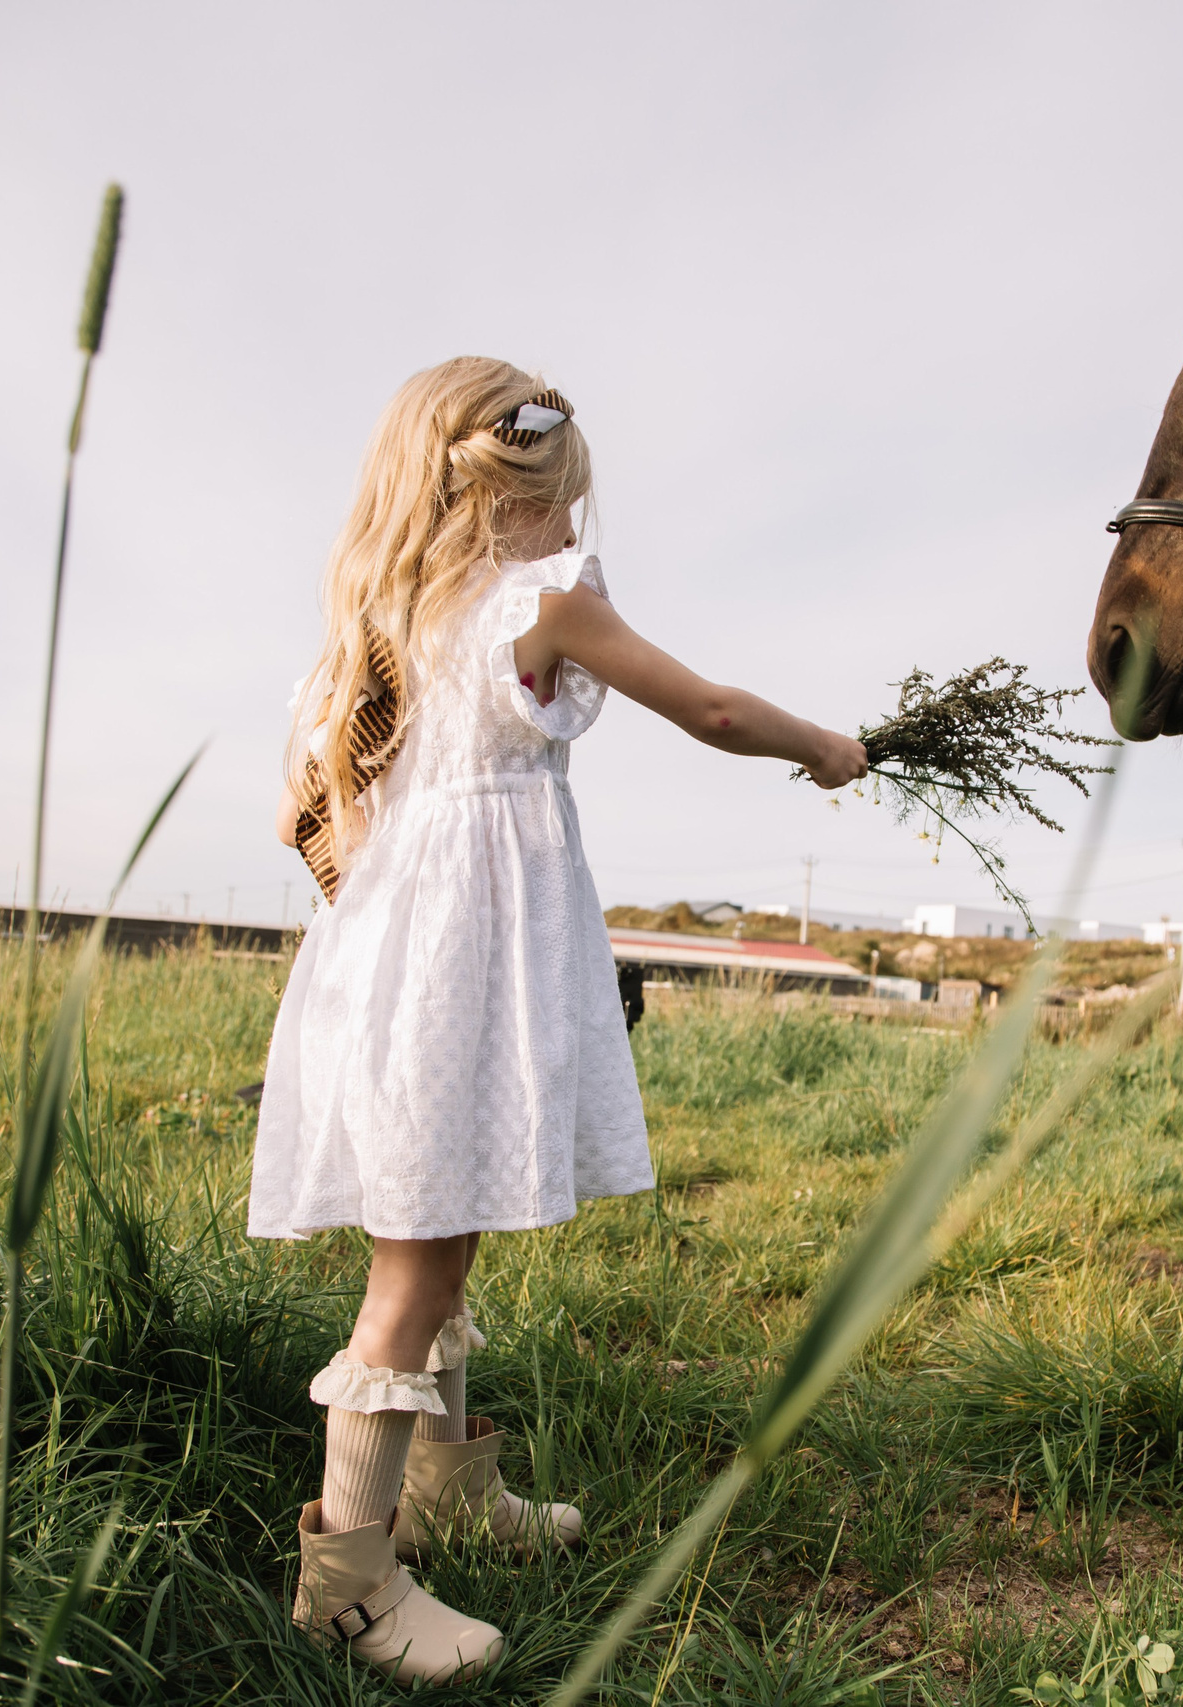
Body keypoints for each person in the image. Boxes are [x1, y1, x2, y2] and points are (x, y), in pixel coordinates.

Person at [250, 356, 866, 1683]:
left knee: (446, 1236)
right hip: (456, 970)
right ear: (511, 496)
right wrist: (823, 744)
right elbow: (704, 706)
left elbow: (310, 810)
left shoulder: (392, 624)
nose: (578, 532)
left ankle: (451, 1491)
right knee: (409, 1279)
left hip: (411, 969)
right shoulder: (539, 602)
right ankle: (348, 1589)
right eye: (566, 504)